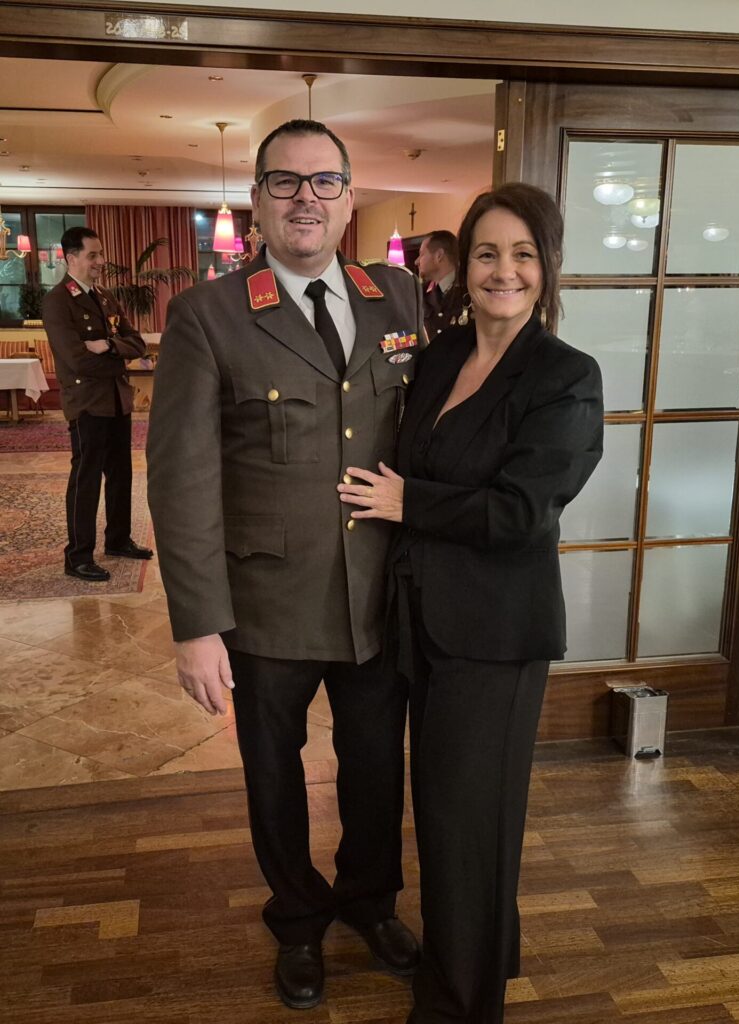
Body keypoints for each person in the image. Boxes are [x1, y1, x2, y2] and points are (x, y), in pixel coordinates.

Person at [147, 119, 423, 1010]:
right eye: (286, 181)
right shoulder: (210, 315)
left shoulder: (398, 297)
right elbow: (182, 480)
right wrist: (198, 625)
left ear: (348, 196)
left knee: (376, 767)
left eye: (324, 180)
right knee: (275, 774)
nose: (307, 197)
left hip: (378, 596)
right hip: (266, 602)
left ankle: (370, 902)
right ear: (258, 199)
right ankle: (298, 919)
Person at [338, 183, 604, 1024]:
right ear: (465, 264)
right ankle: (483, 954)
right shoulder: (443, 353)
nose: (503, 270)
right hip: (421, 619)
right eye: (487, 252)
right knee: (450, 817)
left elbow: (523, 511)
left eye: (523, 254)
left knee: (466, 824)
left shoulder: (566, 376)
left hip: (496, 633)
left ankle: (458, 1003)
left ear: (547, 267)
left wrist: (408, 502)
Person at [42, 226, 153, 582]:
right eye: (93, 255)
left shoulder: (104, 297)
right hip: (87, 403)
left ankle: (118, 540)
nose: (101, 261)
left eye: (101, 254)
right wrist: (118, 357)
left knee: (121, 474)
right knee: (86, 478)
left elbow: (137, 343)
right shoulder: (58, 301)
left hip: (117, 400)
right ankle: (78, 556)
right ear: (71, 258)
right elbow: (76, 360)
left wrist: (108, 345)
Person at [415, 230, 464, 339]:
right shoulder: (419, 293)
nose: (416, 261)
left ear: (439, 255)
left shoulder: (469, 290)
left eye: (422, 254)